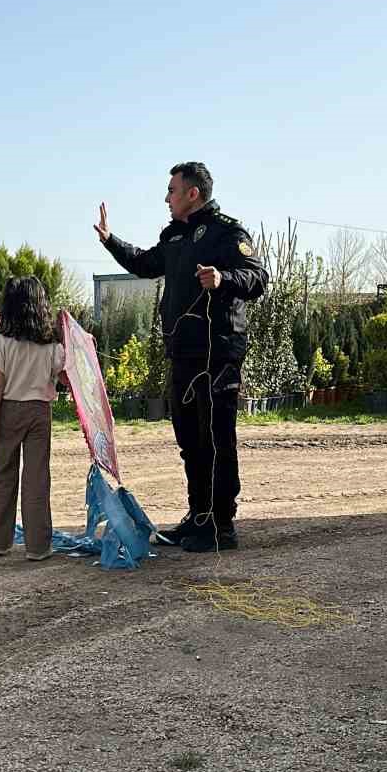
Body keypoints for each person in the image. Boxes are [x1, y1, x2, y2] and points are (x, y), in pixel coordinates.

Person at [94, 162, 267, 551]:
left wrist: (224, 279)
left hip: (217, 353)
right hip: (183, 352)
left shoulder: (227, 232)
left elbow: (256, 278)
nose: (166, 198)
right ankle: (197, 515)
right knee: (190, 438)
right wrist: (110, 240)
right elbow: (145, 263)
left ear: (193, 193)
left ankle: (221, 524)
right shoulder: (174, 237)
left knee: (216, 437)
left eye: (172, 190)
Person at [0, 276, 66, 561]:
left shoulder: (3, 342)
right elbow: (65, 376)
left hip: (8, 410)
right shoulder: (52, 345)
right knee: (37, 479)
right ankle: (38, 546)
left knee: (4, 476)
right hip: (40, 412)